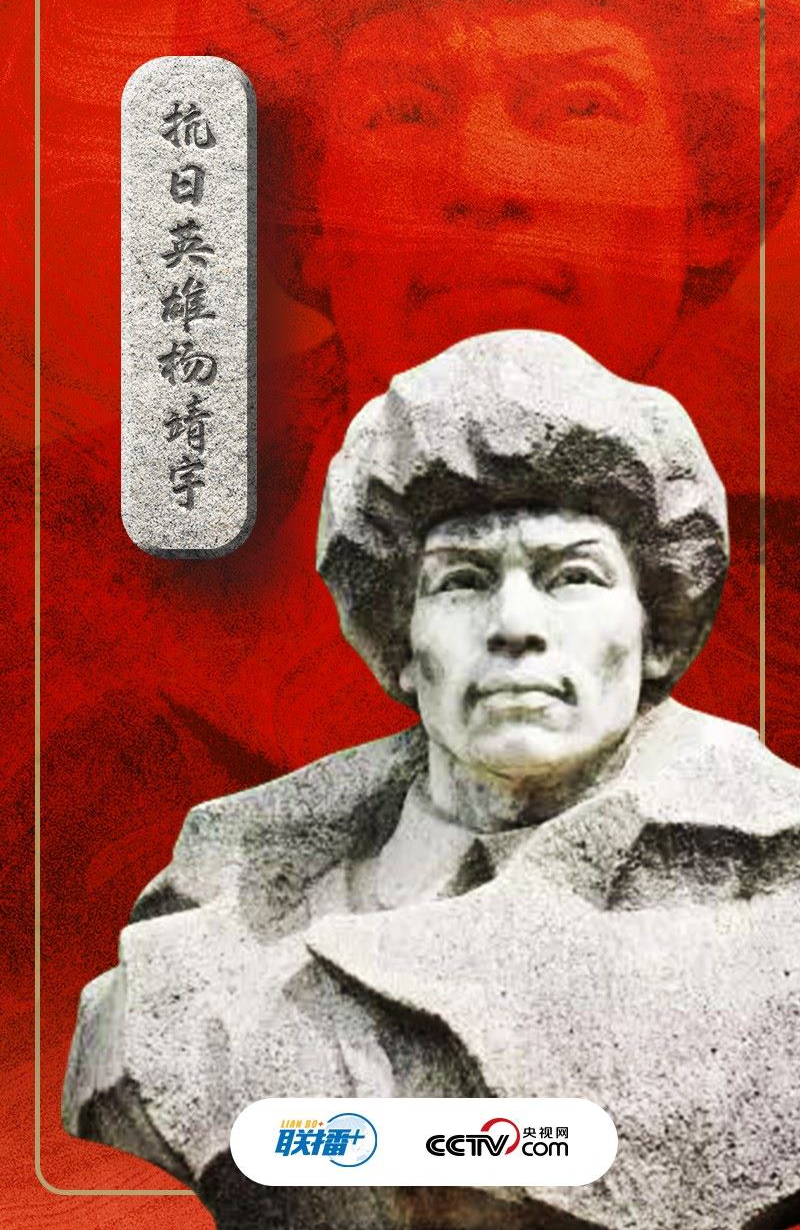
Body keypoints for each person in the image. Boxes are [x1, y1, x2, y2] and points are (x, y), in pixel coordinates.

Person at [63, 331, 800, 1230]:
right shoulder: (204, 947)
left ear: (656, 633)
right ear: (402, 643)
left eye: (573, 575)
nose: (516, 627)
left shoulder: (780, 910)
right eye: (462, 581)